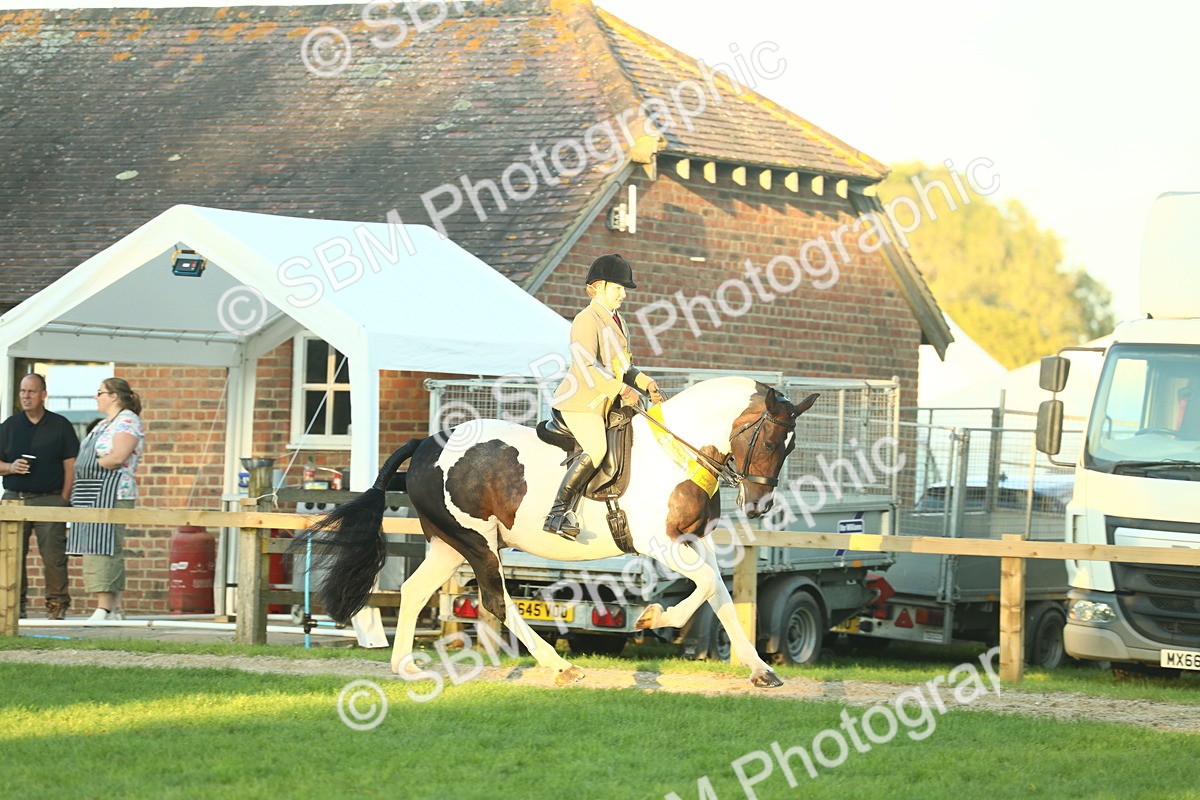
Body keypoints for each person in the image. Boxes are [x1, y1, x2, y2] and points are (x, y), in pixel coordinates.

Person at [544, 254, 664, 539]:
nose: (624, 294)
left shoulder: (618, 320)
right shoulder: (586, 320)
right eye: (618, 288)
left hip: (606, 402)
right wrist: (622, 390)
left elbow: (623, 367)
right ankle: (557, 514)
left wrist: (645, 383)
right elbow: (586, 367)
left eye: (624, 289)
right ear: (598, 287)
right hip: (581, 402)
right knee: (597, 449)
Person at [0, 373, 80, 619]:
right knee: (11, 555)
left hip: (50, 498)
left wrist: (64, 499)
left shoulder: (60, 425)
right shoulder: (10, 426)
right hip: (15, 498)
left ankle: (56, 606)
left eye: (31, 391)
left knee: (54, 556)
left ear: (43, 395)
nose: (25, 396)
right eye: (22, 391)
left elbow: (71, 465)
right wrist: (10, 467)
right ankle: (14, 606)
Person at [68, 377, 145, 621]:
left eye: (100, 392)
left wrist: (90, 466)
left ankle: (105, 608)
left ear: (114, 396)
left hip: (113, 493)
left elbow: (117, 457)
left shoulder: (127, 421)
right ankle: (114, 609)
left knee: (105, 546)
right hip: (93, 492)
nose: (96, 397)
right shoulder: (103, 424)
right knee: (95, 547)